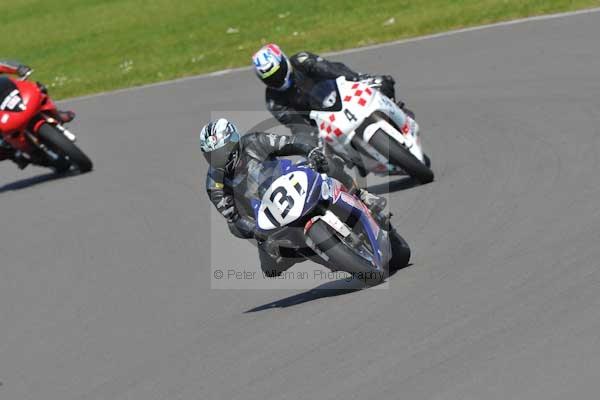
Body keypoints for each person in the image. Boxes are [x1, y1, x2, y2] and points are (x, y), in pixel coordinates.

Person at [200, 118, 387, 277]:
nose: (218, 159)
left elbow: (289, 143)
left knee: (328, 164)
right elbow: (233, 218)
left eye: (221, 152)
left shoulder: (254, 141)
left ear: (233, 142)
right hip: (267, 219)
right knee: (270, 269)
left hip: (292, 180)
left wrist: (310, 151)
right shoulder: (214, 184)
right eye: (211, 156)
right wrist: (255, 231)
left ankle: (360, 195)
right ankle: (331, 256)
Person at [252, 43, 412, 143]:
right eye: (270, 78)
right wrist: (308, 138)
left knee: (384, 83)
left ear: (283, 61)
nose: (276, 79)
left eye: (278, 72)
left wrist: (357, 79)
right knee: (325, 164)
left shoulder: (301, 60)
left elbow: (332, 69)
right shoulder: (273, 101)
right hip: (324, 126)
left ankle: (398, 113)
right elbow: (295, 124)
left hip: (343, 94)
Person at [0, 60, 76, 169]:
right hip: (3, 118)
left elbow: (2, 65)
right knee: (2, 145)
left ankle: (55, 114)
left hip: (8, 94)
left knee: (38, 88)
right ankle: (15, 155)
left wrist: (19, 68)